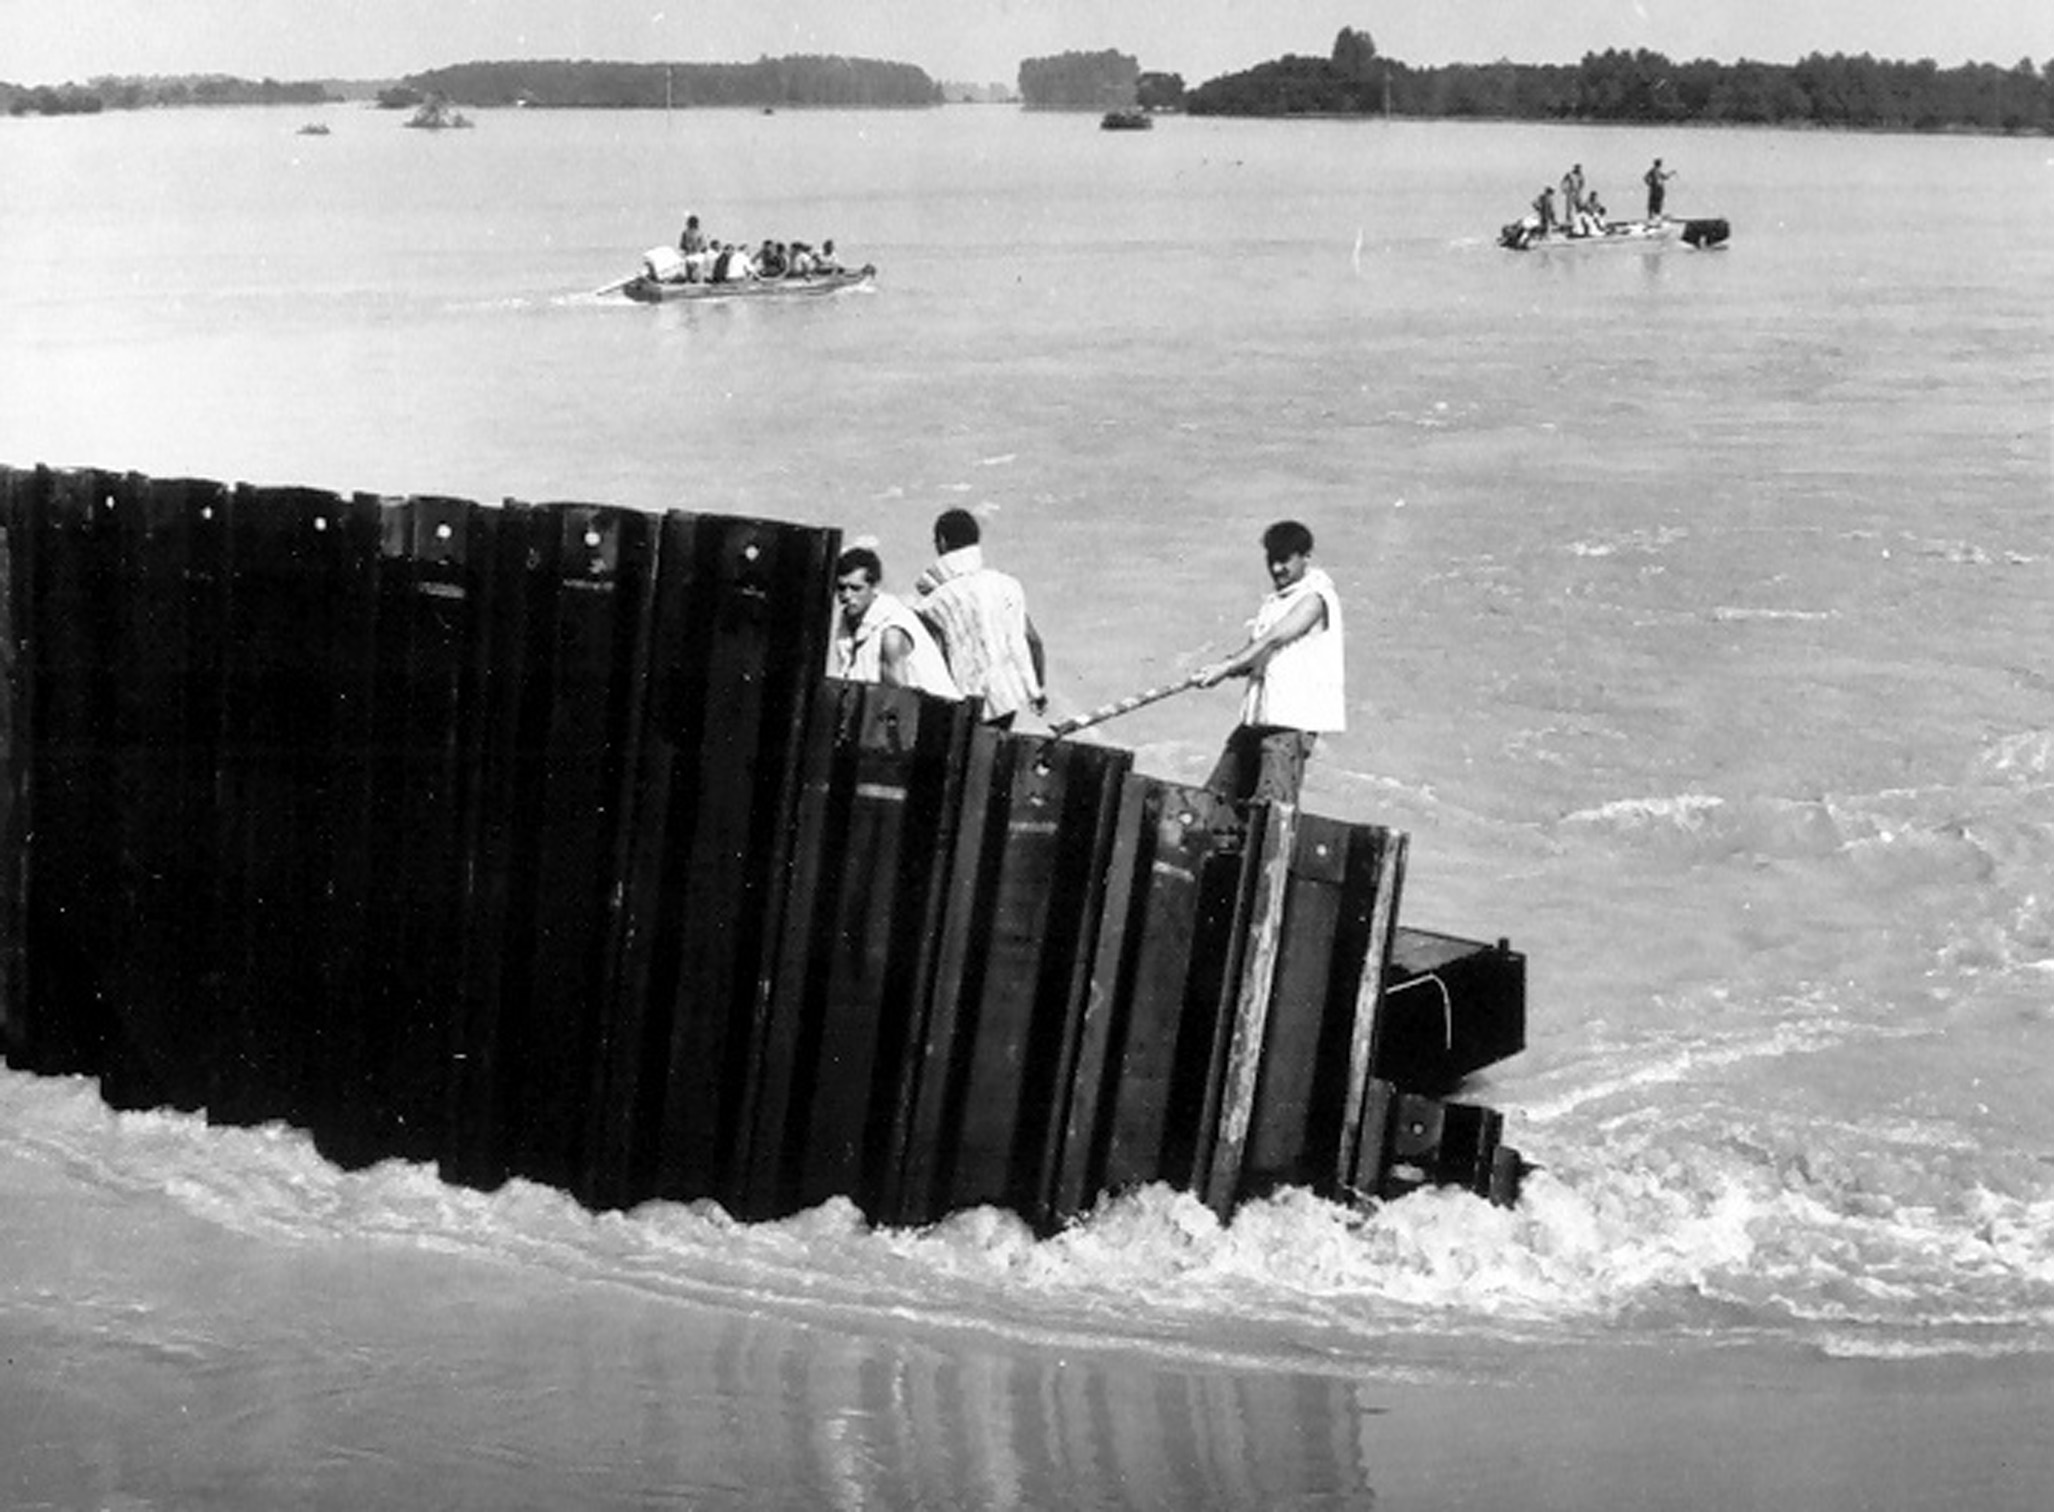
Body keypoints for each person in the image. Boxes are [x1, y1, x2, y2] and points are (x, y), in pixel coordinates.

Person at [1193, 520, 1346, 806]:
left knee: (1272, 808)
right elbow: (1257, 655)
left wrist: (1225, 668)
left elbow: (1274, 639)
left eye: (1284, 561)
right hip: (1258, 719)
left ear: (1306, 558)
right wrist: (1227, 667)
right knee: (1213, 796)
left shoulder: (1316, 598)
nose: (1276, 569)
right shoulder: (1275, 602)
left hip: (1290, 724)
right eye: (1272, 560)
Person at [912, 509, 1046, 729]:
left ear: (942, 543)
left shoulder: (929, 605)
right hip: (1006, 697)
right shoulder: (1007, 585)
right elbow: (1033, 641)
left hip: (961, 704)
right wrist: (1036, 690)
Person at [831, 547, 960, 697]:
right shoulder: (849, 629)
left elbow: (897, 704)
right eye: (841, 588)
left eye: (855, 588)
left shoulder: (891, 633)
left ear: (874, 587)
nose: (846, 596)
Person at [1560, 164, 1585, 234]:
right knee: (1569, 208)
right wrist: (1564, 189)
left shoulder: (1581, 175)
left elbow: (1582, 183)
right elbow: (1563, 181)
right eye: (1578, 168)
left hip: (1577, 192)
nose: (1579, 170)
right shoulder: (1570, 174)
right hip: (1570, 192)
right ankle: (1569, 222)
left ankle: (1581, 221)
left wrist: (1579, 191)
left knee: (1580, 207)